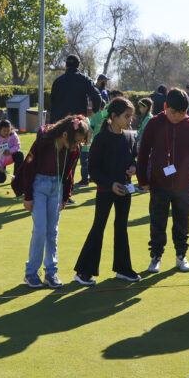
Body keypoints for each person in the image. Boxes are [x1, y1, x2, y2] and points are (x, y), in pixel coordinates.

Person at [13, 114, 91, 289]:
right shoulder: (44, 141)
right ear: (65, 135)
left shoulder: (74, 150)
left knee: (52, 231)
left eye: (79, 142)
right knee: (40, 229)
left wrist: (65, 197)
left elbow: (69, 174)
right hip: (38, 185)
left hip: (57, 188)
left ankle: (51, 272)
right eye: (75, 141)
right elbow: (29, 166)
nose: (76, 146)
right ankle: (31, 273)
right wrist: (28, 196)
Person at [136, 87, 189, 274]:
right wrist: (143, 178)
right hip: (158, 183)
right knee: (157, 221)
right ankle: (156, 256)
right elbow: (143, 152)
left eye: (182, 113)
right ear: (165, 107)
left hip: (184, 185)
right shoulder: (154, 123)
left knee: (182, 222)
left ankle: (181, 255)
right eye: (173, 112)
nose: (177, 116)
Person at [73, 97, 141, 285]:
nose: (130, 121)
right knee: (99, 227)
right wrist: (110, 185)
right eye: (126, 116)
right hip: (105, 190)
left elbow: (132, 159)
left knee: (121, 228)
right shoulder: (101, 138)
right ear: (113, 116)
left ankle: (123, 268)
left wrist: (133, 168)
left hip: (125, 190)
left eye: (131, 117)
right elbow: (93, 169)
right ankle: (84, 271)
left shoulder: (129, 136)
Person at [50, 54, 102, 123]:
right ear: (78, 65)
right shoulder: (85, 79)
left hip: (59, 123)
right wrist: (93, 111)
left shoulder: (57, 81)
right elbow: (97, 97)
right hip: (77, 123)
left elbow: (52, 102)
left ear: (66, 66)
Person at [0, 119, 24, 184]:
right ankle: (0, 175)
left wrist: (10, 151)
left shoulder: (13, 134)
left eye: (8, 130)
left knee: (20, 154)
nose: (6, 133)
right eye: (4, 131)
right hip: (0, 160)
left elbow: (18, 145)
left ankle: (16, 177)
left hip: (10, 157)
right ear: (0, 129)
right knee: (0, 180)